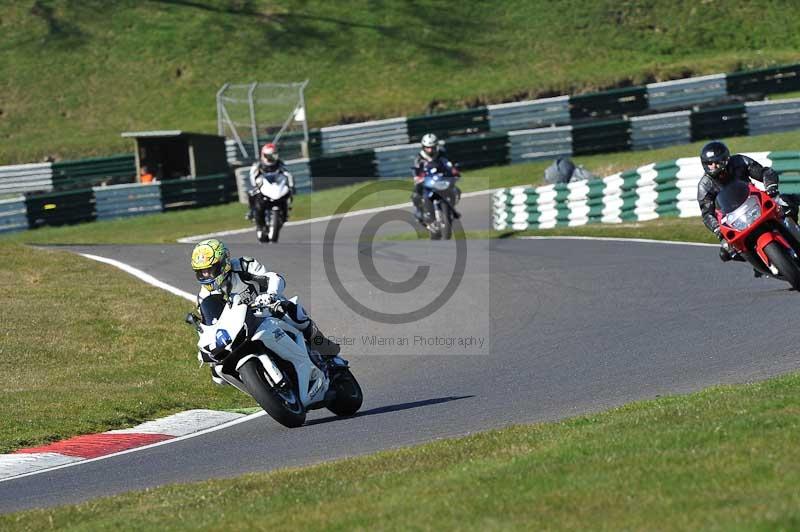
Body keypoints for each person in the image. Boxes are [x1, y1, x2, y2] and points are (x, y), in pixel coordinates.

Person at [190, 238, 339, 385]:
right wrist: (207, 349)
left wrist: (271, 294)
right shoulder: (204, 296)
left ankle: (322, 345)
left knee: (292, 313)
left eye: (210, 270)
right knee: (218, 374)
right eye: (201, 272)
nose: (206, 275)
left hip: (266, 310)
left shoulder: (243, 265)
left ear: (224, 263)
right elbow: (208, 326)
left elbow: (273, 278)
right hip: (240, 330)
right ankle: (263, 382)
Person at [697, 140, 798, 273]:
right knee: (726, 250)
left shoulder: (739, 162)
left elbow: (764, 172)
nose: (714, 166)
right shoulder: (705, 185)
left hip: (754, 202)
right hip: (733, 218)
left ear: (726, 159)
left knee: (785, 202)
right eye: (710, 164)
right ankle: (757, 261)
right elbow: (707, 214)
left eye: (717, 162)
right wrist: (717, 229)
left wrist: (771, 188)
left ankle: (795, 232)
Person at [411, 133, 461, 223]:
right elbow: (416, 168)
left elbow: (450, 165)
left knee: (456, 190)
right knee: (416, 193)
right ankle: (419, 211)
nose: (430, 150)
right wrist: (417, 177)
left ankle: (450, 208)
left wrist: (455, 172)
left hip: (441, 178)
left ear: (436, 146)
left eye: (432, 147)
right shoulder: (419, 157)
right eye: (427, 147)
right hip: (426, 179)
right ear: (423, 147)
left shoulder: (442, 154)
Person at [246, 143, 295, 221]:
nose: (272, 158)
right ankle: (251, 211)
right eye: (269, 156)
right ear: (264, 155)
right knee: (251, 194)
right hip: (263, 185)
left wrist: (291, 185)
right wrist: (255, 185)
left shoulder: (280, 163)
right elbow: (252, 175)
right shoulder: (258, 164)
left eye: (273, 155)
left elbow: (288, 173)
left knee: (288, 192)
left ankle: (286, 209)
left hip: (276, 185)